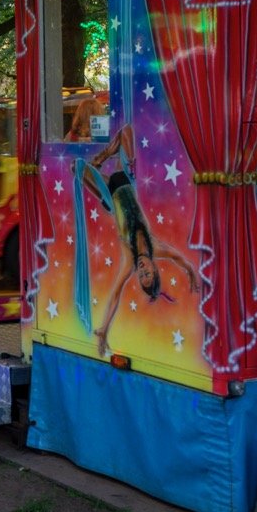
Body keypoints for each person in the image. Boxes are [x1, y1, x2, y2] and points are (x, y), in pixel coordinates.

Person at [73, 125, 199, 357]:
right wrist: (190, 270)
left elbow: (115, 295)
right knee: (127, 131)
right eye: (148, 273)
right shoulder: (156, 248)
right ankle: (102, 158)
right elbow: (179, 257)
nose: (142, 271)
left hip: (111, 194)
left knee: (77, 167)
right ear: (154, 268)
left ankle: (98, 170)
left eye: (141, 276)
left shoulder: (130, 259)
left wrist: (104, 329)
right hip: (125, 181)